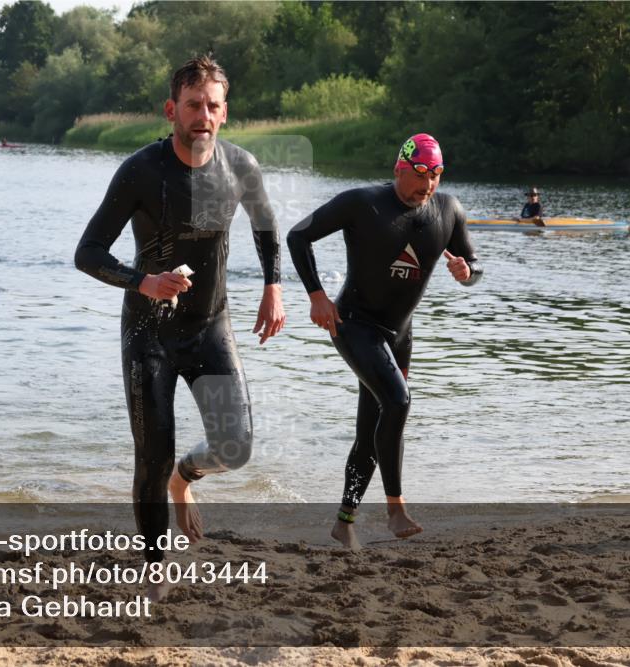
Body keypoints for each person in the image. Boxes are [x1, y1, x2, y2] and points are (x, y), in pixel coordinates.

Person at [75, 56, 285, 599]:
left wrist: (273, 287)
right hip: (149, 333)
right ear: (172, 110)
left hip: (210, 325)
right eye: (193, 105)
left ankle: (185, 480)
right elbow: (87, 252)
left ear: (225, 113)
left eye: (213, 106)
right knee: (152, 453)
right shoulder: (142, 171)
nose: (203, 115)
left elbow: (266, 228)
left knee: (235, 447)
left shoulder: (242, 166)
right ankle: (153, 567)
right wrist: (142, 281)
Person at [287, 133, 482, 549]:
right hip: (354, 325)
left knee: (374, 430)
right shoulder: (363, 203)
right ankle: (395, 507)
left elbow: (475, 263)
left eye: (434, 177)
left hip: (400, 336)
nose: (426, 186)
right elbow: (297, 236)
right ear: (399, 169)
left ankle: (344, 520)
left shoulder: (449, 211)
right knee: (398, 401)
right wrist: (317, 296)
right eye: (418, 176)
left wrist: (469, 273)